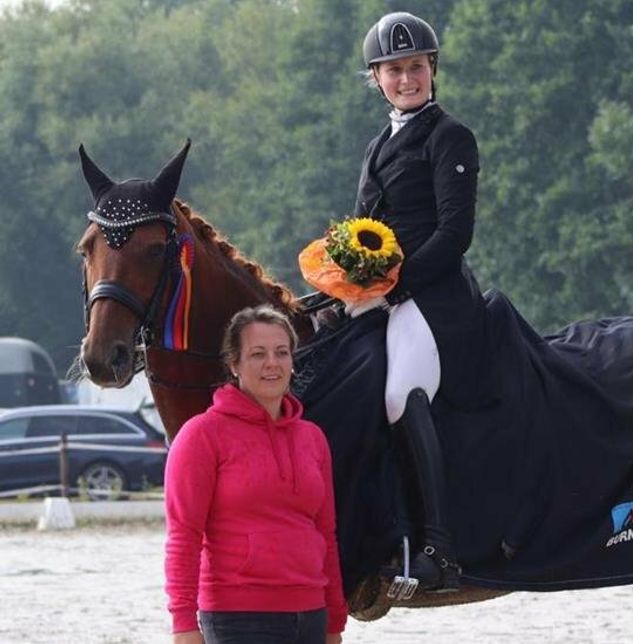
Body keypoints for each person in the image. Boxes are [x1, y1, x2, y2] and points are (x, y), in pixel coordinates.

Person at [343, 10, 487, 592]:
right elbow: (362, 232)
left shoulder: (450, 136)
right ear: (376, 78)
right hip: (385, 297)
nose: (408, 79)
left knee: (402, 393)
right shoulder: (379, 145)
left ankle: (439, 549)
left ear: (433, 70)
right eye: (395, 69)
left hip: (435, 298)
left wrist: (396, 285)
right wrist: (343, 284)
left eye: (417, 67)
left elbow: (454, 235)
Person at [164, 305, 348, 643]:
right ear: (234, 364)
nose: (272, 364)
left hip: (310, 613)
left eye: (281, 353)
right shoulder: (202, 435)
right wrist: (183, 624)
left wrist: (335, 619)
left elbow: (326, 534)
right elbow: (183, 536)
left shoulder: (312, 438)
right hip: (238, 616)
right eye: (257, 354)